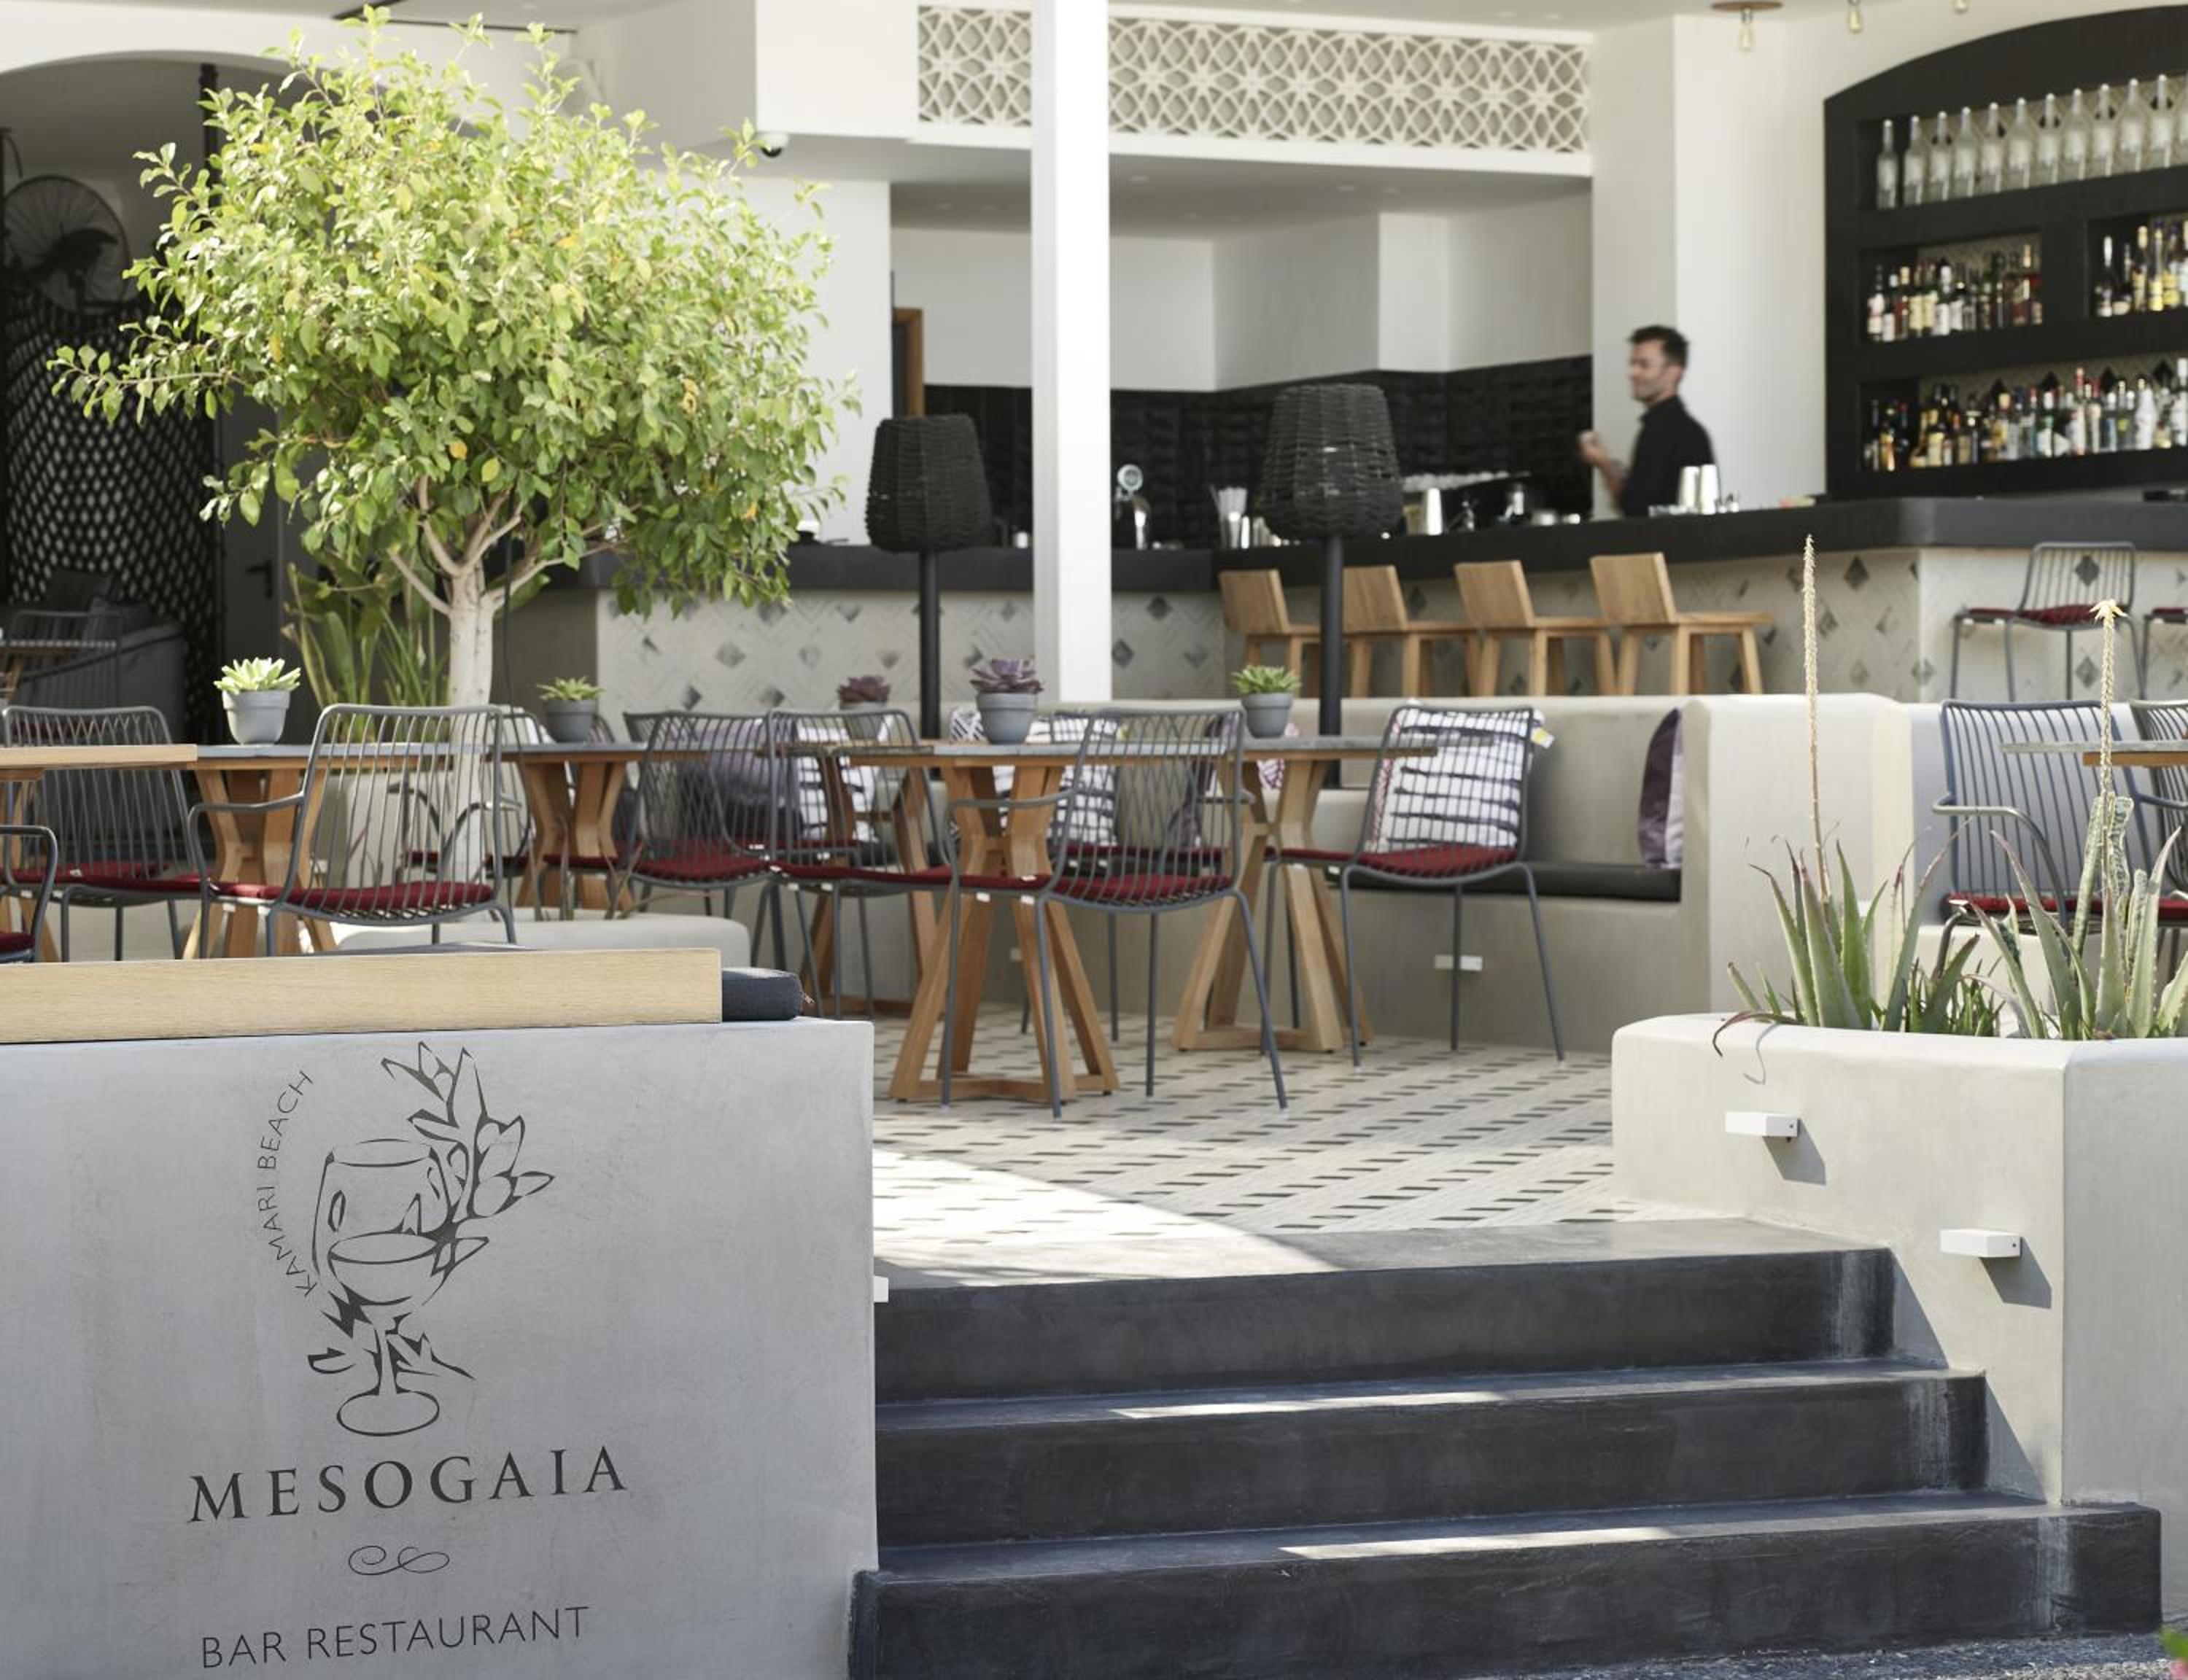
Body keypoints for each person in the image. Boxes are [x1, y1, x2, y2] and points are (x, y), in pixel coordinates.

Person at [1578, 325, 1715, 518]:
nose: (1633, 373)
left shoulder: (1663, 431)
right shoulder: (1683, 430)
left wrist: (1604, 464)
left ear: (1674, 372)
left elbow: (1636, 511)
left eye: (1644, 365)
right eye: (1632, 364)